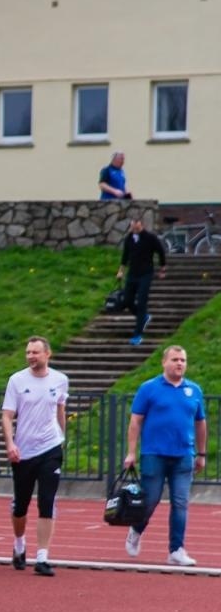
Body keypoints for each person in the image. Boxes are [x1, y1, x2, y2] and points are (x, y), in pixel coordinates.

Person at [122, 345, 207, 567]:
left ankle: (176, 549)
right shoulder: (149, 388)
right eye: (175, 359)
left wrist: (201, 453)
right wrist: (131, 452)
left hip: (183, 455)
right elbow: (135, 421)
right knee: (150, 500)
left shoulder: (194, 390)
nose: (179, 363)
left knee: (180, 503)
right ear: (164, 362)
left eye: (183, 360)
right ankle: (136, 530)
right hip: (154, 454)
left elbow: (200, 423)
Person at [1, 337, 69, 577]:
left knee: (47, 501)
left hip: (51, 447)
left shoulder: (60, 380)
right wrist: (10, 443)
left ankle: (42, 557)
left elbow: (60, 409)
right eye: (28, 352)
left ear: (47, 354)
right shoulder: (17, 380)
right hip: (24, 451)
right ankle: (19, 544)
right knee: (21, 505)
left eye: (35, 352)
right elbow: (7, 416)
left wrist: (62, 438)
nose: (31, 356)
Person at [117, 216, 167, 347]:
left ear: (141, 225)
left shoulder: (150, 238)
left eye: (136, 226)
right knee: (127, 300)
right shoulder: (129, 238)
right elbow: (125, 256)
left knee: (141, 302)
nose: (134, 228)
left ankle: (137, 335)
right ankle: (143, 316)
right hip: (132, 274)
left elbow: (161, 252)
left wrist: (162, 268)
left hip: (146, 273)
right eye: (132, 226)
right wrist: (121, 270)